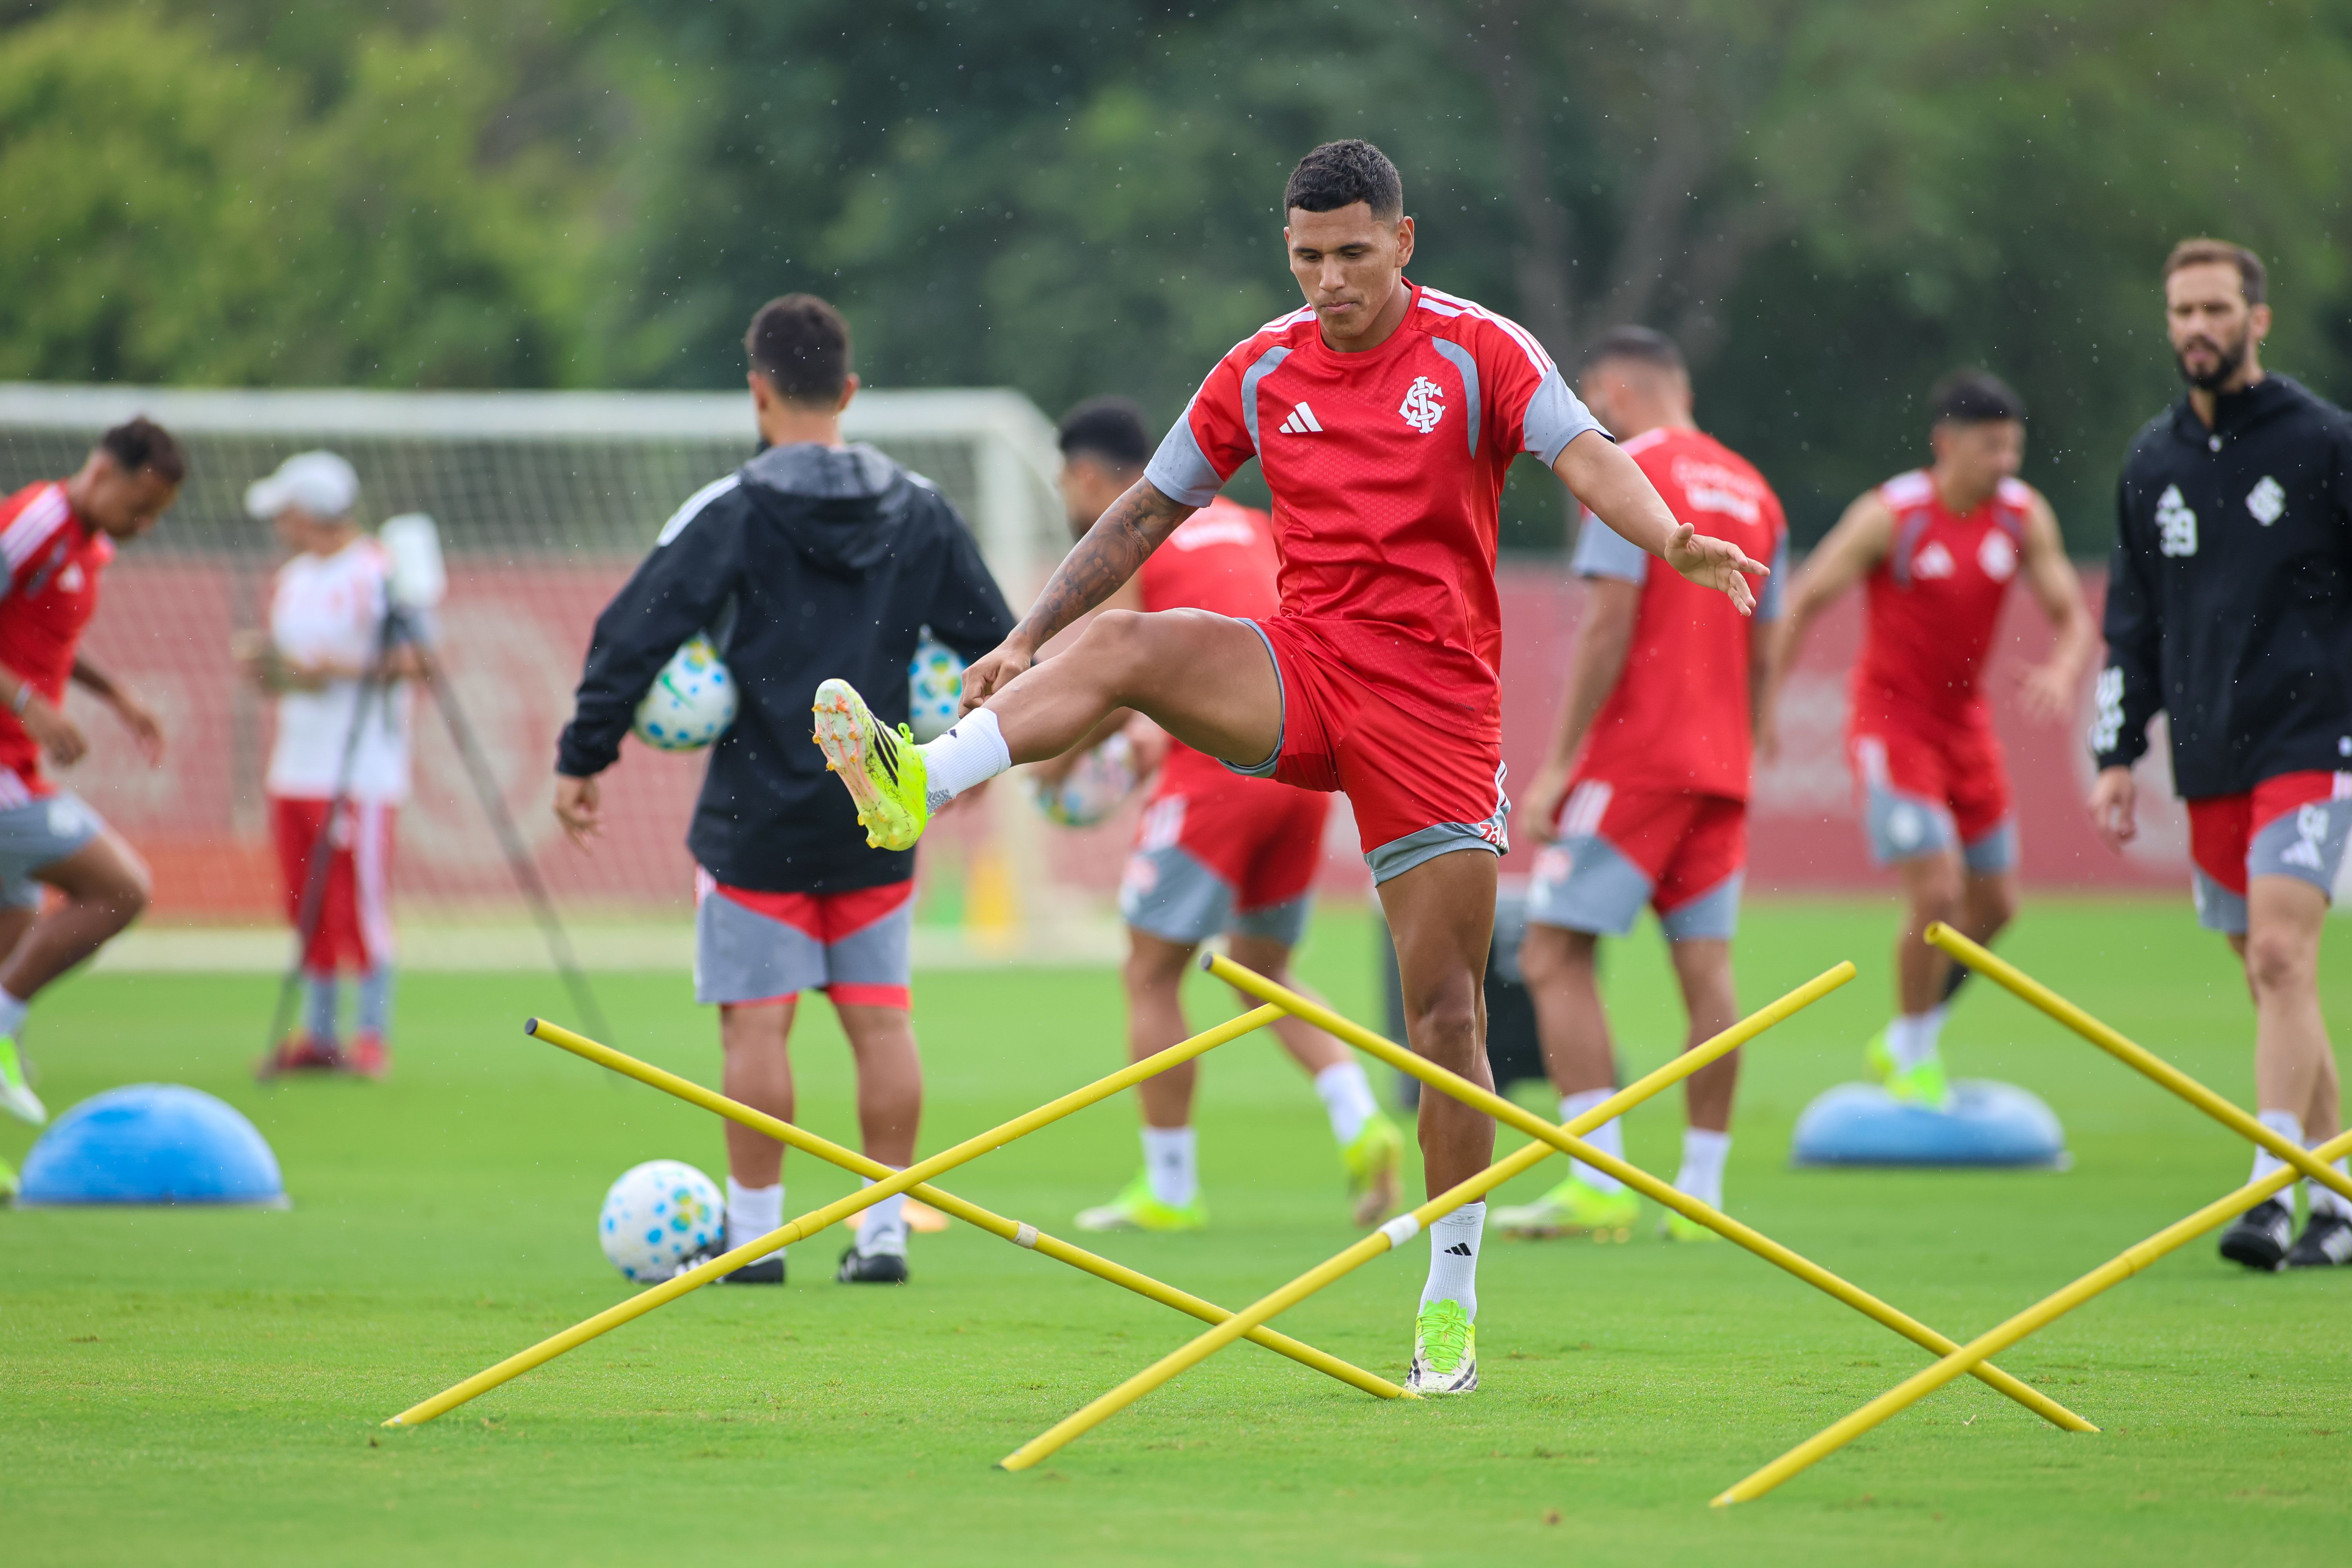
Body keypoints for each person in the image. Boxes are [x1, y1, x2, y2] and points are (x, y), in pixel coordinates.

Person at [809, 140, 1768, 1394]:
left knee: (1447, 1020)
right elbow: (1144, 510)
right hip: (1303, 671)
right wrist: (1026, 635)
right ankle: (921, 781)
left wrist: (1671, 537)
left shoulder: (1483, 351)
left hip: (1435, 721)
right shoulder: (1261, 368)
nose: (1330, 281)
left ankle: (1450, 1296)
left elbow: (1591, 457)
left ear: (1404, 243)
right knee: (1125, 643)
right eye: (1309, 257)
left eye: (1354, 255)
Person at [553, 294, 1014, 1286]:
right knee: (881, 1018)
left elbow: (633, 633)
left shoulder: (733, 510)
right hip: (876, 811)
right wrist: (975, 746)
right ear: (848, 391)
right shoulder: (921, 509)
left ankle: (757, 1237)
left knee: (756, 1025)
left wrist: (584, 755)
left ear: (758, 393)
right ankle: (884, 1230)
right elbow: (1002, 642)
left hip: (754, 815)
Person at [1038, 397, 1407, 1234]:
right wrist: (1146, 737)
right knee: (1262, 969)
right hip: (1304, 772)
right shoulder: (1248, 524)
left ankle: (1170, 1188)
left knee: (1150, 971)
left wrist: (1047, 769)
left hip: (1218, 777)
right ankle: (1362, 1118)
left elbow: (1105, 672)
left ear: (1091, 478)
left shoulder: (1134, 534)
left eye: (1068, 483)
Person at [2089, 238, 2352, 1271]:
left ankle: (2268, 1187)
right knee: (2271, 981)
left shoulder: (2324, 444)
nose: (2198, 327)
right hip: (2209, 757)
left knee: (2286, 955)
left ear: (2258, 319)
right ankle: (2339, 1203)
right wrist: (2118, 750)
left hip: (2312, 738)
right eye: (2182, 311)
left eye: (2216, 309)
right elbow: (2133, 622)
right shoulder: (2150, 464)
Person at [1497, 328, 1786, 1243]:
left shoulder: (1625, 469)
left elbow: (1607, 624)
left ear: (1615, 390)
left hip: (1636, 760)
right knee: (1706, 966)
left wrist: (1559, 761)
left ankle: (1598, 1175)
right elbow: (1769, 642)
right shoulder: (1755, 488)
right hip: (1720, 764)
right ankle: (1702, 1187)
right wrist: (1747, 734)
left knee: (1550, 951)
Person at [1768, 370, 2094, 1108]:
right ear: (1945, 444)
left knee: (1998, 906)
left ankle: (1906, 1035)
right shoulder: (1892, 516)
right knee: (1939, 889)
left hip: (1966, 729)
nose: (2007, 464)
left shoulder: (2022, 516)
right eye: (1991, 448)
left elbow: (2073, 617)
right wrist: (1767, 708)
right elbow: (1803, 600)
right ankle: (1915, 1053)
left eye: (2014, 448)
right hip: (1893, 725)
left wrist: (2062, 669)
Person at [0, 418, 178, 1158]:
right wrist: (26, 704)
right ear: (102, 471)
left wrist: (115, 693)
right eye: (140, 508)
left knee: (10, 955)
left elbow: (42, 642)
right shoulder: (36, 523)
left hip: (19, 764)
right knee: (121, 888)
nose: (142, 527)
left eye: (156, 517)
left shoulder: (87, 545)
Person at [238, 452, 421, 1081]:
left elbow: (418, 659)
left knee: (361, 903)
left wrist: (334, 671)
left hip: (363, 768)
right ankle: (319, 1035)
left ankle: (372, 1036)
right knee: (305, 902)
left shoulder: (379, 572)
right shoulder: (291, 579)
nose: (280, 526)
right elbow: (296, 671)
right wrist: (272, 669)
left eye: (286, 512)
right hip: (297, 763)